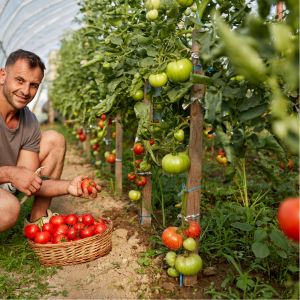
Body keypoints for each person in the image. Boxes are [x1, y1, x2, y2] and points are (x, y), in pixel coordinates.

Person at [0, 49, 101, 232]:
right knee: (8, 209)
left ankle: (37, 221)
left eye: (33, 85)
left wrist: (68, 186)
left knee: (55, 139)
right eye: (20, 80)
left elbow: (32, 179)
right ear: (2, 76)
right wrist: (9, 173)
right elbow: (15, 175)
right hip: (4, 177)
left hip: (5, 183)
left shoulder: (29, 121)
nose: (25, 91)